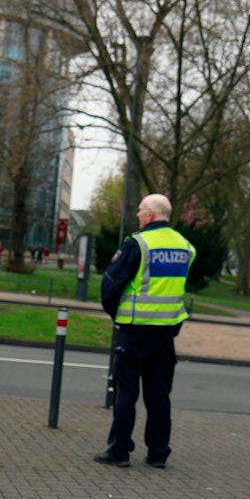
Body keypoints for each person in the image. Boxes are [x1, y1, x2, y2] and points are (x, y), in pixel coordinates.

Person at [95, 193, 195, 469]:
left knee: (126, 391)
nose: (138, 214)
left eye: (140, 210)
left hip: (135, 330)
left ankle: (120, 450)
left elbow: (111, 285)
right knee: (159, 394)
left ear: (150, 214)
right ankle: (159, 453)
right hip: (165, 333)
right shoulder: (186, 247)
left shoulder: (137, 243)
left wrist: (118, 315)